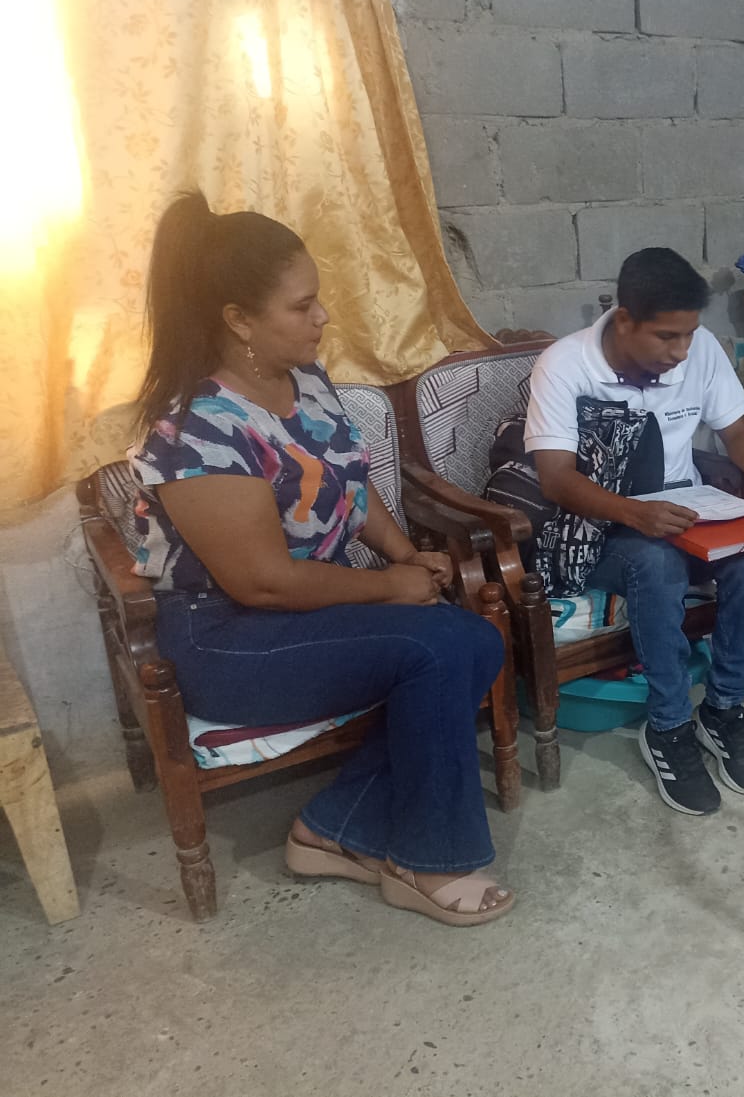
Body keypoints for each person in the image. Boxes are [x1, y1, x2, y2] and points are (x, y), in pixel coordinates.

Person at [129, 192, 514, 927]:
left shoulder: (305, 382)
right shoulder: (197, 429)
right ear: (239, 319)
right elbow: (264, 583)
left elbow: (350, 486)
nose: (323, 317)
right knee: (439, 649)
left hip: (308, 610)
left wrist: (408, 554)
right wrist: (392, 589)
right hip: (226, 637)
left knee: (476, 639)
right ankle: (429, 859)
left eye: (318, 300)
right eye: (302, 306)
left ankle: (331, 828)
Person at [524, 247, 744, 816]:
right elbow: (555, 478)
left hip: (687, 513)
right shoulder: (564, 364)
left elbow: (736, 433)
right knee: (655, 562)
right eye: (666, 337)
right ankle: (669, 726)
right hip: (601, 528)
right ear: (625, 320)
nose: (681, 352)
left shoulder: (700, 352)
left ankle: (722, 709)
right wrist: (633, 513)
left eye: (689, 335)